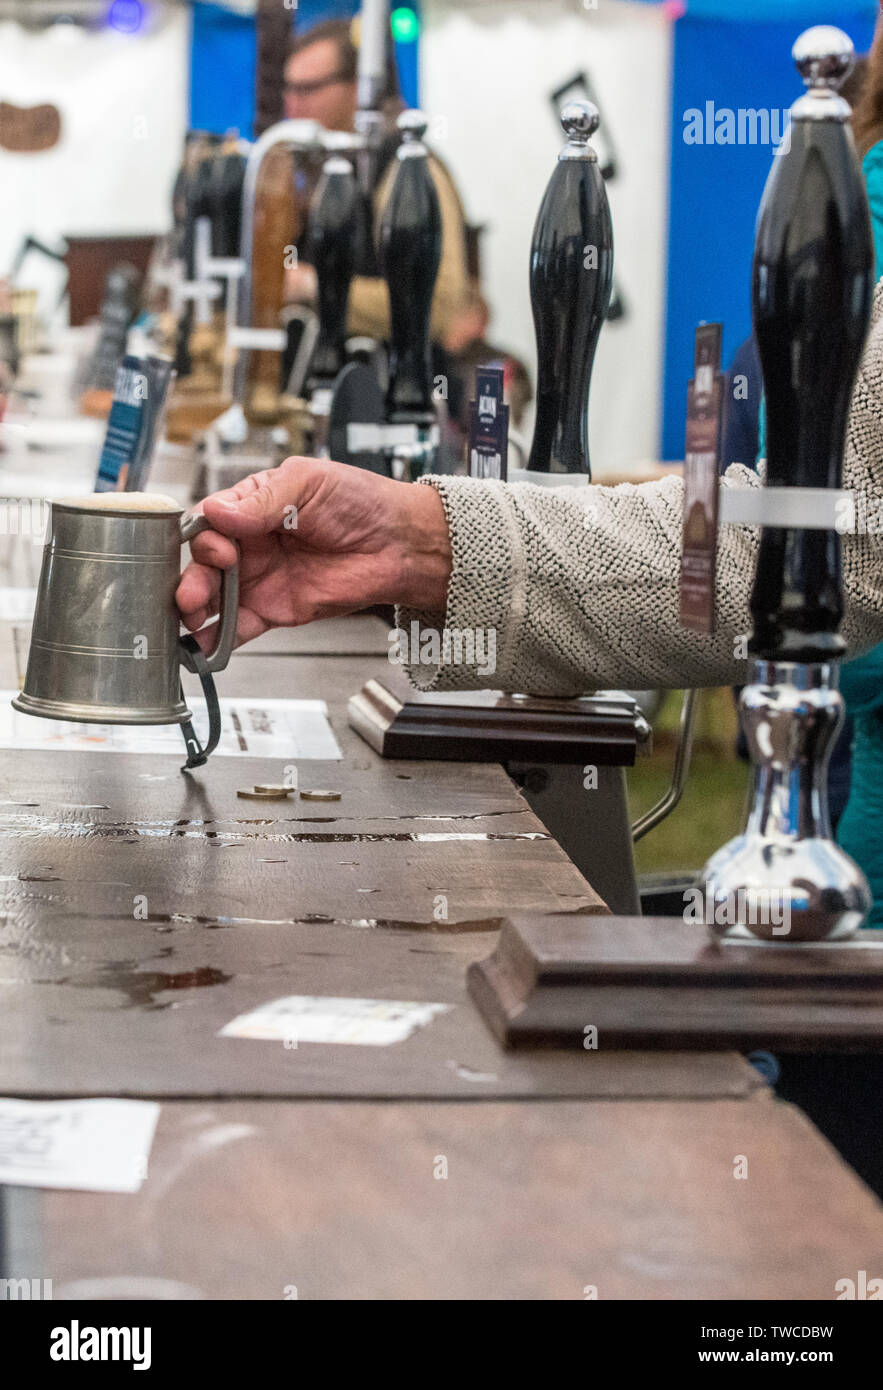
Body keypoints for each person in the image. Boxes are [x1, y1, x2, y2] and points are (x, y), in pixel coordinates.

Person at [282, 18, 472, 351]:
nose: (292, 104)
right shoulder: (321, 168)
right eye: (288, 88)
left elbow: (440, 305)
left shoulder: (405, 167)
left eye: (307, 89)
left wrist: (310, 284)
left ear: (357, 87)